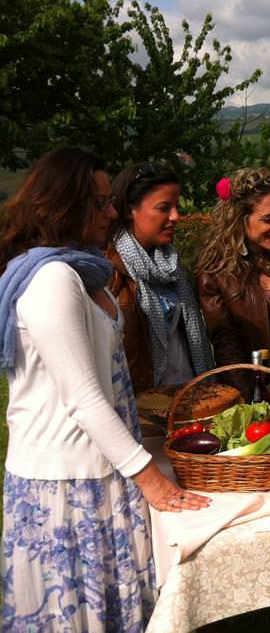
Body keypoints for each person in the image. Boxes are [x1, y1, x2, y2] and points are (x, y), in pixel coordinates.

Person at [0, 147, 209, 631]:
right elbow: (83, 397)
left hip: (103, 469)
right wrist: (152, 481)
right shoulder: (51, 279)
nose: (111, 211)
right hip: (64, 484)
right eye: (98, 203)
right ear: (61, 206)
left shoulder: (83, 271)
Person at [195, 168, 270, 397]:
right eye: (268, 219)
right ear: (240, 220)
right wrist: (250, 400)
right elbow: (227, 348)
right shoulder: (217, 273)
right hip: (256, 391)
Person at [107, 161, 214, 392]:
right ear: (129, 209)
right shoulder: (110, 276)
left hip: (188, 397)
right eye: (164, 208)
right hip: (145, 407)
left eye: (176, 206)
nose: (175, 216)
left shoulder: (174, 269)